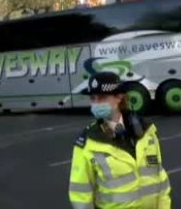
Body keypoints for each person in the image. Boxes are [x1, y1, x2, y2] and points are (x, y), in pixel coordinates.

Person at [69, 72, 171, 209]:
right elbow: (80, 195)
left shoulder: (148, 131)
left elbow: (161, 178)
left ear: (119, 97)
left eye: (102, 97)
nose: (96, 103)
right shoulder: (88, 143)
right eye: (93, 98)